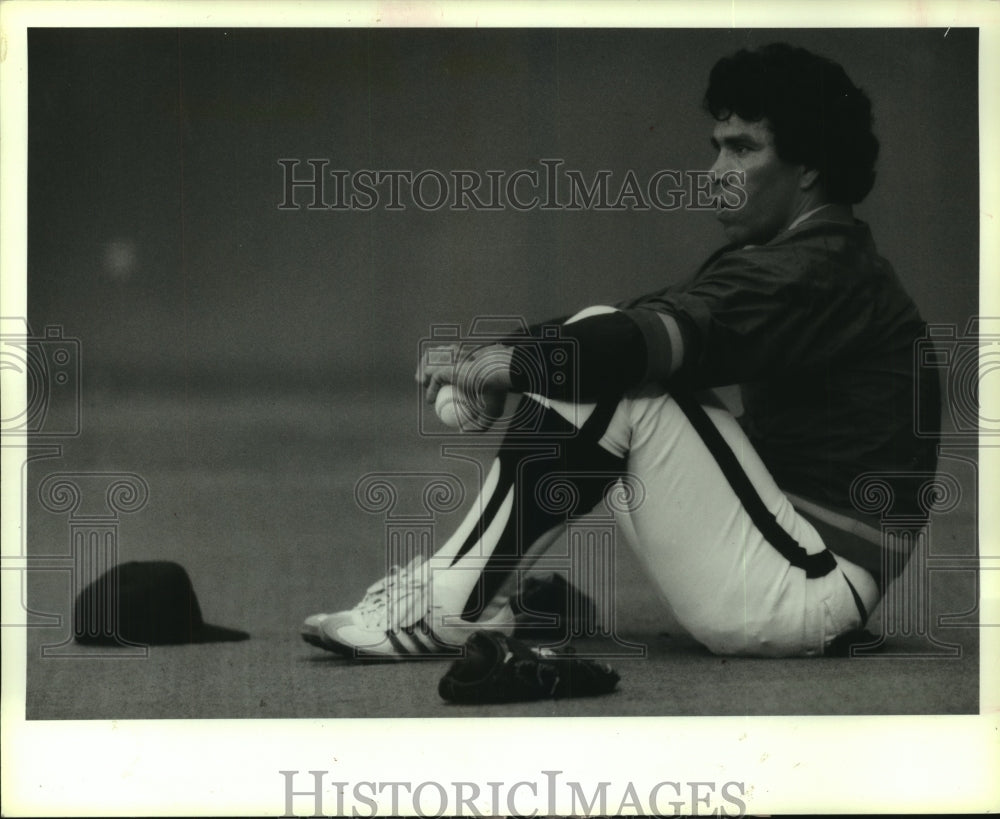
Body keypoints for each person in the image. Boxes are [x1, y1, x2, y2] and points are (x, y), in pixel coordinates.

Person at [302, 42, 940, 659]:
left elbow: (627, 342)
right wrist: (495, 355)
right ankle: (474, 594)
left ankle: (449, 605)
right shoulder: (813, 257)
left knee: (609, 369)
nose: (714, 174)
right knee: (600, 351)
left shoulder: (817, 270)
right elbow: (638, 323)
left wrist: (512, 365)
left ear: (810, 167)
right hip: (780, 557)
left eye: (742, 149)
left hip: (806, 585)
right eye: (716, 147)